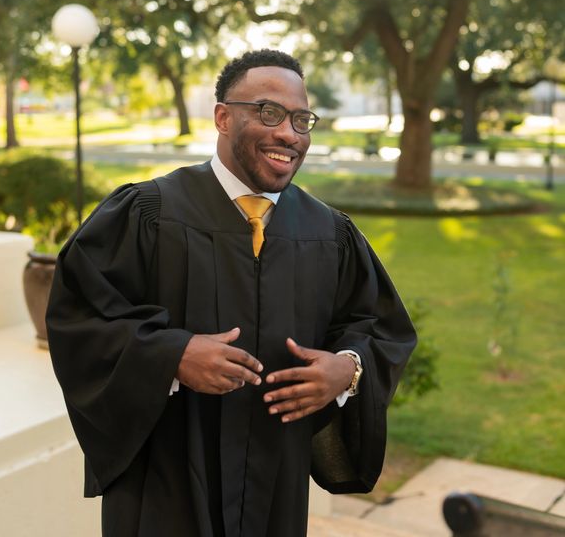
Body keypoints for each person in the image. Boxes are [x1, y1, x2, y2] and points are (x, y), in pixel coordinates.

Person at [46, 49, 417, 537]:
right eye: (269, 112)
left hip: (275, 485)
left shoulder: (329, 233)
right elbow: (80, 317)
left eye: (302, 119)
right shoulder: (148, 214)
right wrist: (171, 355)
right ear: (223, 117)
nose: (289, 133)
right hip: (165, 483)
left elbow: (380, 327)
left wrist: (346, 370)